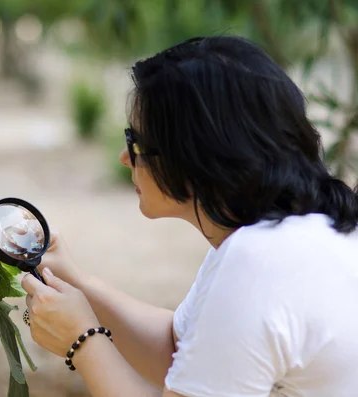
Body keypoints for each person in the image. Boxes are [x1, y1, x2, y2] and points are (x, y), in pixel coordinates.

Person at [21, 35, 358, 397]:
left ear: (195, 154)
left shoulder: (260, 261)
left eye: (134, 141)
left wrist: (82, 341)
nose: (124, 156)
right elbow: (179, 352)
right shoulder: (290, 231)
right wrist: (76, 282)